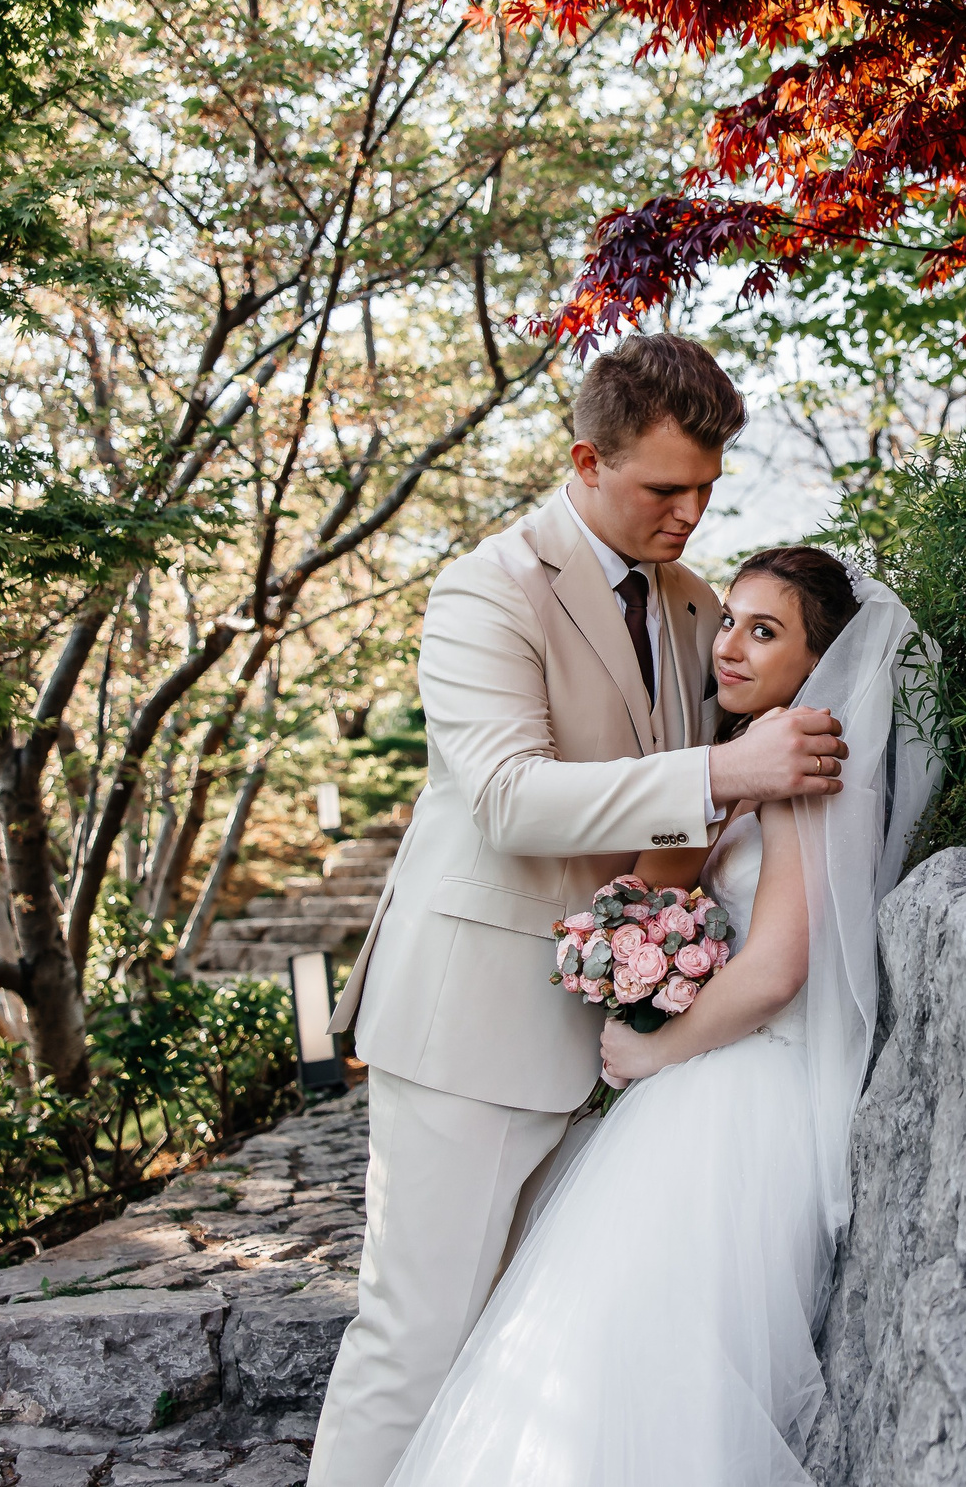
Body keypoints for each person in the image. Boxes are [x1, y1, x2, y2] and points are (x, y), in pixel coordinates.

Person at [307, 335, 859, 1487]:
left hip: (614, 1042)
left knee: (520, 1350)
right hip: (469, 1030)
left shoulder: (694, 601)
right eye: (665, 488)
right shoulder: (485, 590)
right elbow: (508, 799)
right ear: (585, 459)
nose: (692, 512)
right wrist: (725, 777)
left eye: (708, 487)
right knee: (414, 1343)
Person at [383, 543, 940, 1486]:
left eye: (766, 633)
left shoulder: (809, 761)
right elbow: (657, 880)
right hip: (706, 1080)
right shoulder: (752, 761)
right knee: (604, 1347)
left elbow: (774, 968)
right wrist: (634, 940)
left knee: (645, 1356)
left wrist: (654, 1051)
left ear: (819, 664)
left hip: (743, 1094)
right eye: (730, 620)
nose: (730, 646)